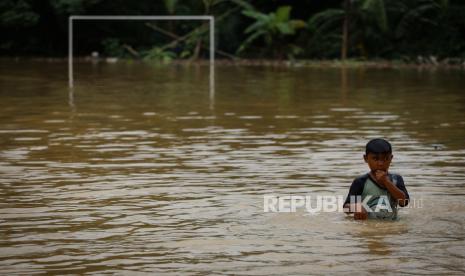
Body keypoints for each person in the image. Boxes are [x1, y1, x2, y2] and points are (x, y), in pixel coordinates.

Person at [343, 138, 410, 220]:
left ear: (391, 158)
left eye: (385, 159)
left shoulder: (396, 179)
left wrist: (386, 182)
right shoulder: (361, 182)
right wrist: (356, 207)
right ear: (366, 159)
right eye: (375, 159)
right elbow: (346, 208)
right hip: (368, 226)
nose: (380, 163)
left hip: (391, 225)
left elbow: (403, 202)